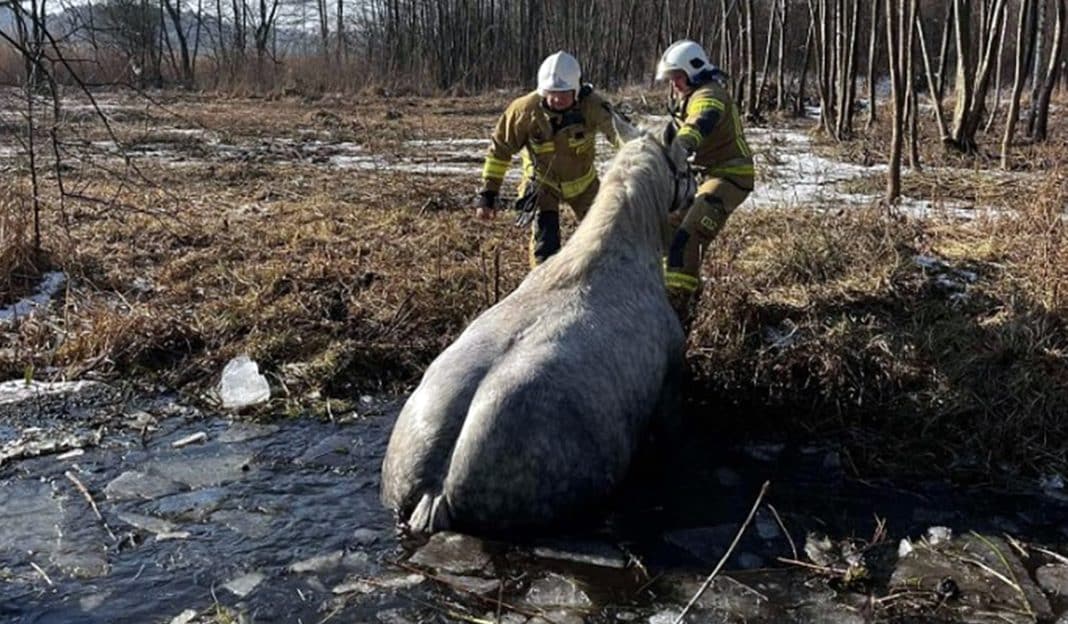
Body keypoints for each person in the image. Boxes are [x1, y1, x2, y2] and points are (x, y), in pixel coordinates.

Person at [476, 51, 622, 267]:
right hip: (542, 186)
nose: (557, 99)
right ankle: (543, 286)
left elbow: (619, 133)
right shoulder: (524, 111)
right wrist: (488, 193)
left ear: (577, 90)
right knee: (545, 245)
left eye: (564, 93)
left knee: (607, 240)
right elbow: (500, 150)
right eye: (551, 93)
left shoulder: (593, 106)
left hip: (585, 185)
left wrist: (644, 155)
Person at [656, 40, 754, 329]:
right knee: (667, 231)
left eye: (678, 77)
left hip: (729, 177)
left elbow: (701, 121)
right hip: (702, 178)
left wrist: (683, 144)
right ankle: (683, 292)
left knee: (688, 237)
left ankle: (677, 313)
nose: (674, 84)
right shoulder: (686, 97)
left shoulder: (709, 94)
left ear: (694, 71)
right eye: (671, 78)